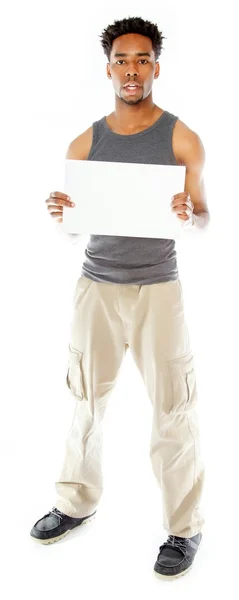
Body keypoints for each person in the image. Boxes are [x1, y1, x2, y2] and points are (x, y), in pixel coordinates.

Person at [30, 16, 210, 580]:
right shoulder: (86, 140)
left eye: (142, 60)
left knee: (173, 410)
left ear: (156, 66)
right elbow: (75, 226)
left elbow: (202, 217)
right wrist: (60, 214)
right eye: (122, 61)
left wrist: (191, 214)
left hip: (159, 289)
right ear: (107, 68)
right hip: (96, 288)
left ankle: (184, 527)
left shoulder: (182, 137)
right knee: (84, 401)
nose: (131, 70)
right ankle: (75, 502)